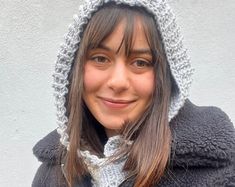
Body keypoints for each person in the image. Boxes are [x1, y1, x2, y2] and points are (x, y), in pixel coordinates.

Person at [32, 0, 235, 186]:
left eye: (140, 62)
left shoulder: (219, 173)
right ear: (74, 69)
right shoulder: (51, 174)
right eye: (100, 58)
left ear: (166, 77)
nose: (118, 82)